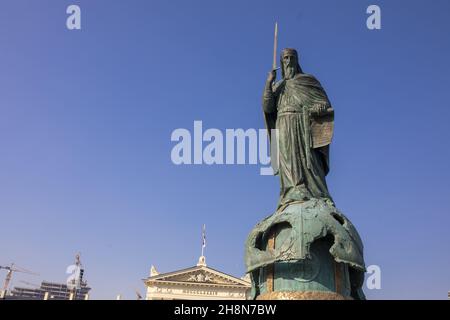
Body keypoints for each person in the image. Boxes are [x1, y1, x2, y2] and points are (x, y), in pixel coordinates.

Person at [262, 48, 335, 210]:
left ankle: (318, 193)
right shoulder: (277, 87)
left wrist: (320, 107)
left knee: (309, 162)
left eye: (291, 58)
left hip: (303, 125)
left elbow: (324, 104)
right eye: (285, 58)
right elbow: (267, 108)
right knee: (287, 161)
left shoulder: (307, 81)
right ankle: (291, 194)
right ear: (281, 62)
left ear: (296, 60)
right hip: (282, 125)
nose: (288, 61)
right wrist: (268, 83)